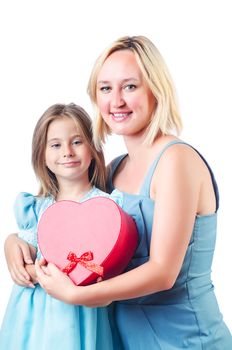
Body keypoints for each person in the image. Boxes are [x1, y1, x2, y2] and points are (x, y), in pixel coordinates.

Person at [4, 36, 232, 349]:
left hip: (184, 338)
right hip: (120, 339)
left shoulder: (176, 160)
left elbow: (163, 272)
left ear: (156, 89)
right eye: (105, 88)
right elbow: (67, 230)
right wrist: (15, 241)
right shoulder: (113, 171)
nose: (117, 101)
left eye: (130, 86)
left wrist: (78, 295)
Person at [0, 102, 124, 350]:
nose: (67, 151)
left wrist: (49, 274)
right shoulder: (35, 209)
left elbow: (110, 272)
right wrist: (10, 242)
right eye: (55, 145)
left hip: (84, 315)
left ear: (93, 148)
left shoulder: (108, 206)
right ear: (42, 155)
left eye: (77, 142)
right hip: (32, 319)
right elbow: (24, 267)